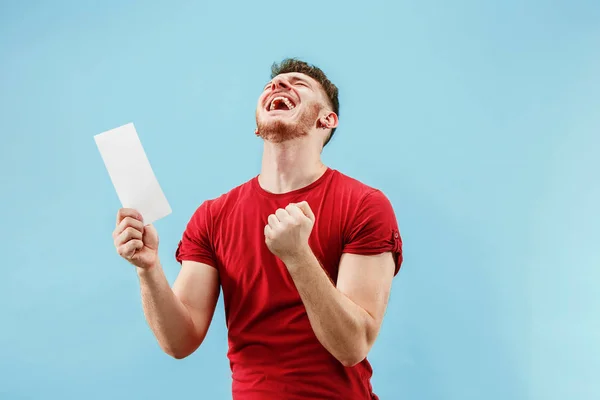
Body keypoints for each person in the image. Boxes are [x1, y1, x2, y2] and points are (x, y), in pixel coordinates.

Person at [113, 58, 403, 400]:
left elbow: (352, 346)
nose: (278, 86)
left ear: (328, 119)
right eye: (272, 84)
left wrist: (298, 256)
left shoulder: (364, 205)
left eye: (299, 84)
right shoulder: (213, 216)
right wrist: (149, 269)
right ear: (257, 125)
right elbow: (179, 341)